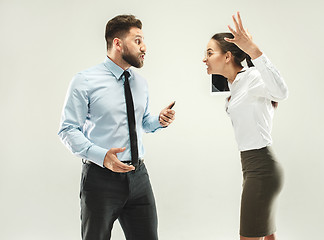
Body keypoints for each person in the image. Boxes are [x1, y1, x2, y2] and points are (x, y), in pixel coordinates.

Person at [58, 14, 175, 240]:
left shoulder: (140, 82)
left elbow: (140, 122)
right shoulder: (84, 81)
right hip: (101, 179)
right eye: (138, 40)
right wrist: (102, 156)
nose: (144, 47)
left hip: (139, 177)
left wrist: (158, 121)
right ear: (118, 43)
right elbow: (68, 129)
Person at [203, 12, 288, 240]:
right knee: (266, 236)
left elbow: (281, 92)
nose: (205, 59)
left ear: (228, 56)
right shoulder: (236, 86)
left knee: (249, 236)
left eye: (210, 53)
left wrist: (254, 50)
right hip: (252, 168)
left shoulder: (252, 78)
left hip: (262, 168)